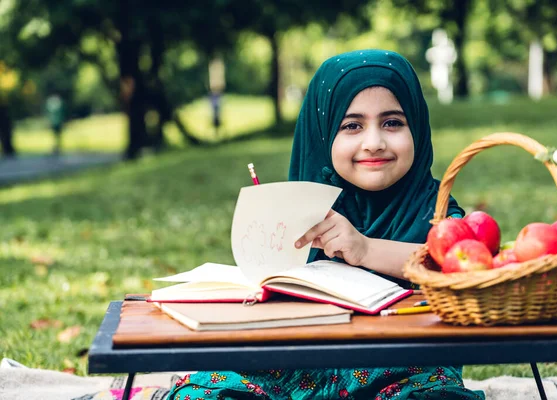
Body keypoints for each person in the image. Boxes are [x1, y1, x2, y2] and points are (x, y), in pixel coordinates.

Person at [167, 49, 485, 399]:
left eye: (393, 122)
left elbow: (462, 268)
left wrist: (364, 248)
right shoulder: (305, 206)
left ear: (418, 128)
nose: (374, 142)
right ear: (322, 135)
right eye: (352, 126)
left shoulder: (433, 208)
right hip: (298, 366)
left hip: (404, 371)